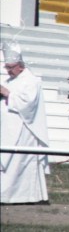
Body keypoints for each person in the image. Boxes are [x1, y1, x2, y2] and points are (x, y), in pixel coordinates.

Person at [0, 41, 50, 204]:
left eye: (10, 67)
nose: (7, 71)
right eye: (6, 67)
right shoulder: (11, 80)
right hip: (7, 128)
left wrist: (7, 94)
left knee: (18, 162)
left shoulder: (31, 80)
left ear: (20, 66)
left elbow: (28, 103)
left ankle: (22, 196)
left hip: (24, 129)